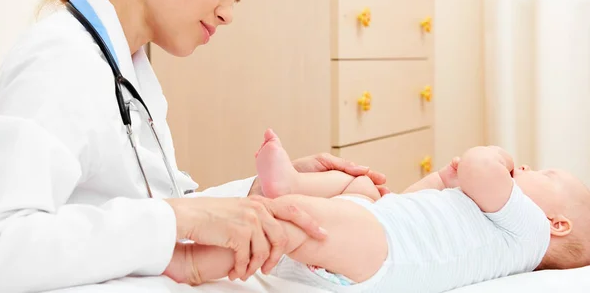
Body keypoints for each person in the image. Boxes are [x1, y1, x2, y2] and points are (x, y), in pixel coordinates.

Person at [0, 0, 389, 292]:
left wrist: (254, 195)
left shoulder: (133, 74)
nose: (228, 14)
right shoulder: (62, 59)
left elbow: (164, 205)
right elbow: (0, 247)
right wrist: (178, 218)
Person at [182, 129, 590, 292]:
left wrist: (494, 154)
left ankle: (199, 265)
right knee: (361, 186)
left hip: (382, 255)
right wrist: (442, 182)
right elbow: (410, 200)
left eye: (544, 174)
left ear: (558, 223)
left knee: (290, 226)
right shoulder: (496, 219)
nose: (527, 168)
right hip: (378, 229)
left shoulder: (531, 231)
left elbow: (482, 167)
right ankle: (291, 185)